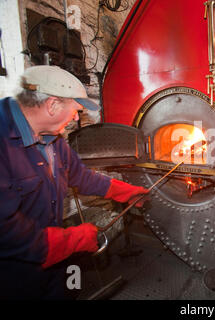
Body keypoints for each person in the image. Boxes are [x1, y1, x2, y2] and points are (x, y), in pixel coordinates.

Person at [0, 65, 149, 299]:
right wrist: (71, 240)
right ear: (52, 105)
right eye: (76, 110)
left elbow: (80, 176)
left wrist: (126, 192)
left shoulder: (52, 139)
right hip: (14, 273)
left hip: (54, 264)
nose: (77, 118)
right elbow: (5, 229)